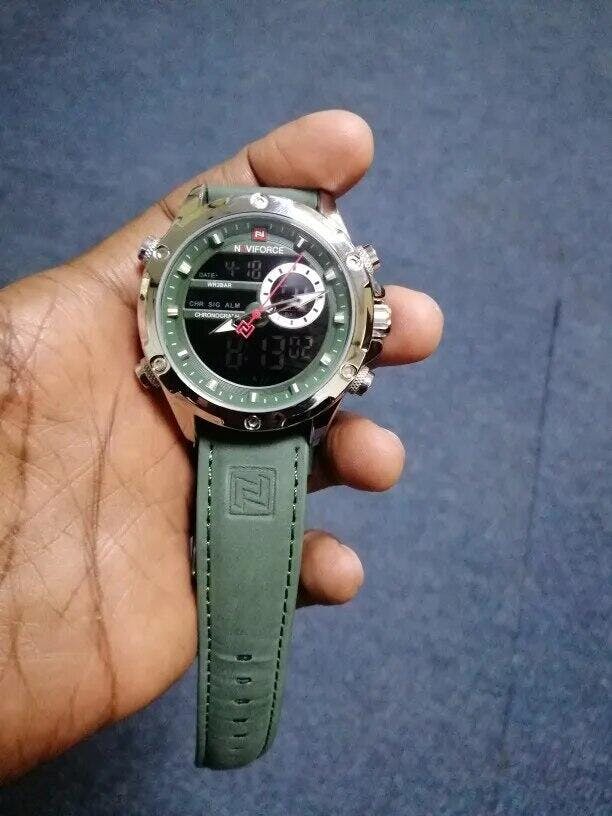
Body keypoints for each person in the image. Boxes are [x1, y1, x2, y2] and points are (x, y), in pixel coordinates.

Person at [0, 110, 443, 780]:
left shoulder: (313, 297)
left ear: (366, 319)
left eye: (276, 304)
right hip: (200, 399)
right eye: (257, 308)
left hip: (274, 403)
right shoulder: (181, 312)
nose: (258, 314)